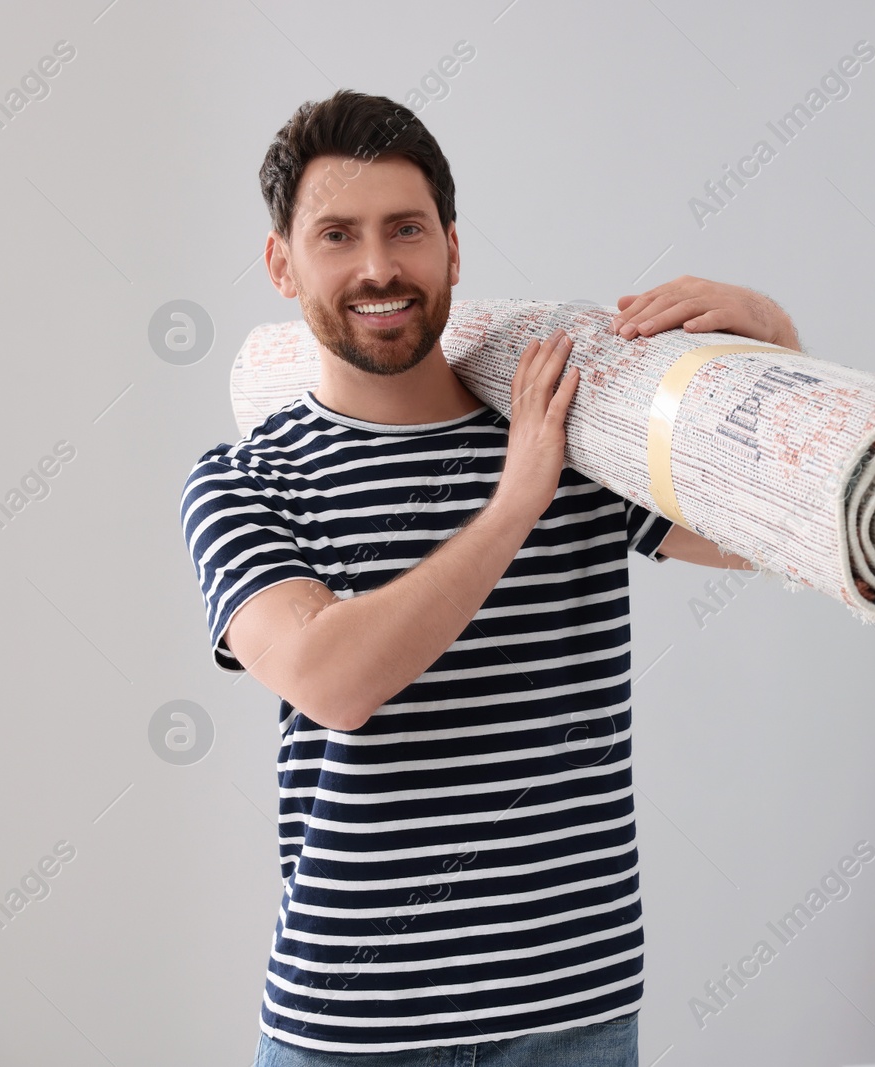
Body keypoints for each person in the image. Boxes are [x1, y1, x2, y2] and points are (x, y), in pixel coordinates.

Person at [178, 89, 801, 1066]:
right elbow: (333, 680)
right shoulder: (244, 478)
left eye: (406, 229)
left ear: (452, 252)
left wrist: (772, 338)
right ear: (282, 262)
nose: (378, 266)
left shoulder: (570, 433)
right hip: (352, 1034)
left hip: (572, 1020)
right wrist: (514, 503)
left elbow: (784, 537)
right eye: (336, 234)